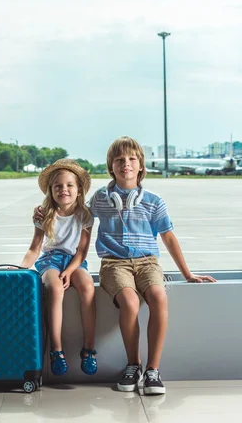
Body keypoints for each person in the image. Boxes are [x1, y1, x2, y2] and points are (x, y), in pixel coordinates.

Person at [89, 136, 216, 395]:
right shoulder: (100, 198)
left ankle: (152, 370)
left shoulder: (154, 201)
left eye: (132, 159)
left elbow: (168, 237)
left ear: (141, 166)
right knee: (130, 302)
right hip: (114, 263)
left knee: (159, 296)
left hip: (148, 262)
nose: (126, 164)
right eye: (119, 160)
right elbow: (76, 220)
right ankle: (133, 365)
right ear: (110, 166)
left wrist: (187, 273)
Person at [21, 158, 97, 377]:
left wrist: (70, 271)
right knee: (55, 288)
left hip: (74, 261)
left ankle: (89, 349)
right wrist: (20, 269)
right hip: (51, 260)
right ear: (51, 191)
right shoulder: (44, 214)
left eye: (69, 185)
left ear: (79, 189)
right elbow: (35, 249)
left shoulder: (85, 215)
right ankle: (57, 350)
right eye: (58, 186)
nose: (64, 190)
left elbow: (82, 251)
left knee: (87, 286)